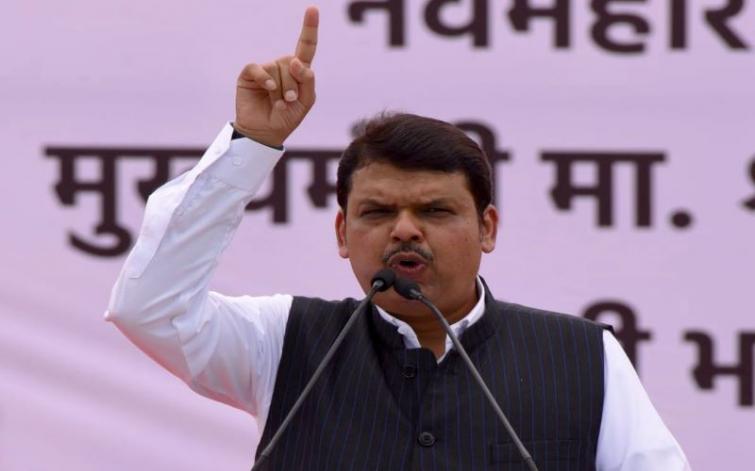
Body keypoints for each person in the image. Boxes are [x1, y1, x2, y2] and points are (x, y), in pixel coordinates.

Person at [106, 6, 690, 470]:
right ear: (342, 232)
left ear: (487, 228)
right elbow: (150, 307)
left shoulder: (583, 357)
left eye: (435, 211)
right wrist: (250, 145)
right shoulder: (284, 342)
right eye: (378, 212)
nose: (405, 229)